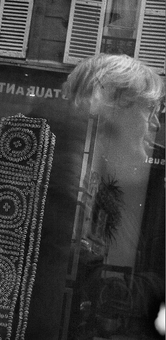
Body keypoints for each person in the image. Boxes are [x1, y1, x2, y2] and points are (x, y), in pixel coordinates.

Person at [62, 54, 165, 338]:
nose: (156, 124)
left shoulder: (123, 190)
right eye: (149, 109)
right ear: (112, 111)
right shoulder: (67, 186)